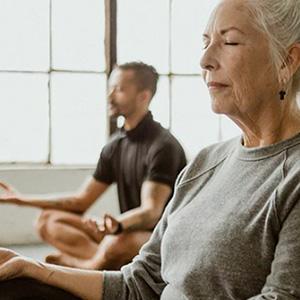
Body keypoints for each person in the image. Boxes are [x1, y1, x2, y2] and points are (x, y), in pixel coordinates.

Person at [0, 0, 300, 299]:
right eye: (205, 42)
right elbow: (139, 284)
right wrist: (37, 269)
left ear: (287, 61)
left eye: (230, 41)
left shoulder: (291, 175)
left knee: (116, 246)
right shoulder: (205, 163)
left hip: (130, 235)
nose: (205, 59)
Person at [0, 61, 186, 271]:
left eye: (119, 89)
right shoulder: (115, 145)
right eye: (110, 88)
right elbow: (80, 201)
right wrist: (20, 199)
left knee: (116, 243)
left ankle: (85, 268)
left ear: (143, 96)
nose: (110, 96)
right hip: (121, 231)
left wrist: (118, 224)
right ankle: (106, 265)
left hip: (157, 239)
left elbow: (151, 212)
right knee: (47, 220)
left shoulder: (163, 146)